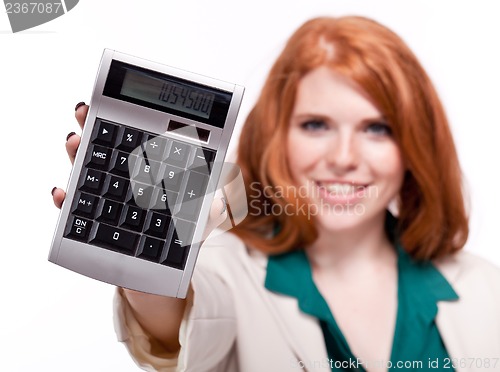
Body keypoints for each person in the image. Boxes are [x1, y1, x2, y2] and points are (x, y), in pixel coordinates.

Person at [53, 16, 500, 372]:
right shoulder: (225, 271)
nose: (344, 157)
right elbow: (176, 337)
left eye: (376, 129)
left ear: (413, 145)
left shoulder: (486, 289)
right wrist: (146, 254)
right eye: (316, 125)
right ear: (277, 138)